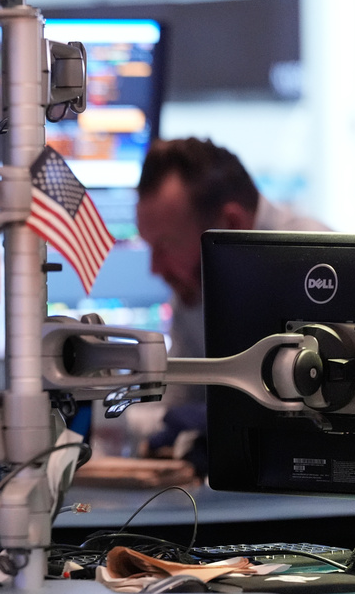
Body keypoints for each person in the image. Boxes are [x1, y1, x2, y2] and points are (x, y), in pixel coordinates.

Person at [134, 137, 330, 471]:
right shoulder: (193, 287)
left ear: (231, 225)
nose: (154, 268)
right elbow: (174, 403)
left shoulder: (318, 264)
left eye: (165, 246)